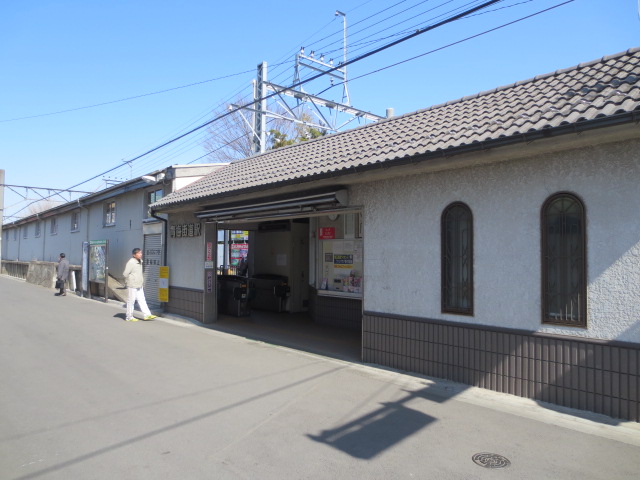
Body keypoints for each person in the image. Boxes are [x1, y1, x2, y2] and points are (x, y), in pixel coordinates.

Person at [123, 248, 157, 322]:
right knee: (131, 301)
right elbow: (125, 273)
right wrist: (129, 281)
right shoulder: (131, 262)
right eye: (138, 253)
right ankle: (129, 317)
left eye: (141, 253)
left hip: (139, 284)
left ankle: (147, 315)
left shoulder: (140, 261)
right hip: (132, 285)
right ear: (134, 255)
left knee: (142, 300)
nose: (140, 254)